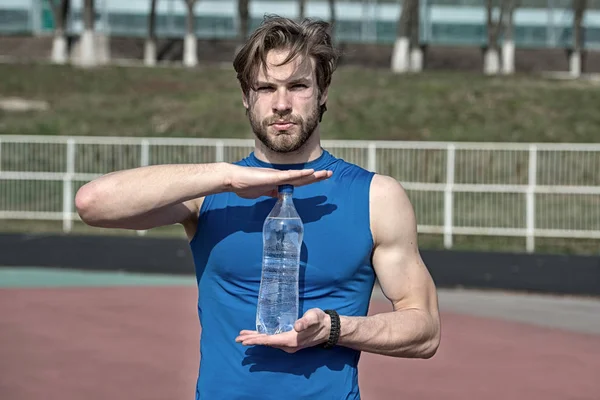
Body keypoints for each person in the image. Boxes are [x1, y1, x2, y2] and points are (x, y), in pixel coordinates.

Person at [75, 15, 441, 400]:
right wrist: (226, 177)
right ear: (246, 97)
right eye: (266, 87)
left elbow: (425, 330)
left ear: (323, 92)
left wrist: (335, 329)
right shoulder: (209, 193)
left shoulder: (375, 197)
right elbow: (92, 203)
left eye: (297, 86)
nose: (281, 104)